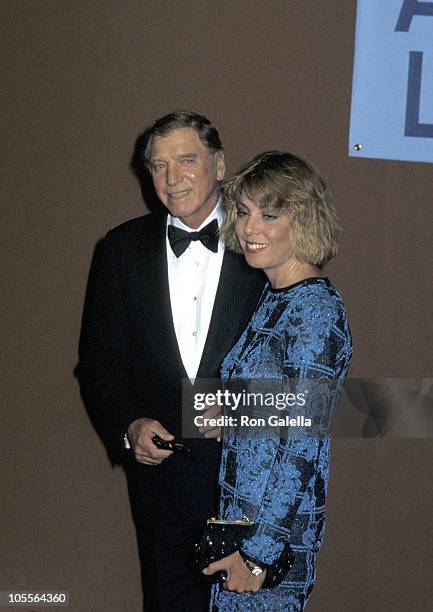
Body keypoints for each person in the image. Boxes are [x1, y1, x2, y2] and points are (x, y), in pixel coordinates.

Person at [75, 111, 265, 611]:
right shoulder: (120, 250)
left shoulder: (266, 245)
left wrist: (249, 412)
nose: (172, 178)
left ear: (220, 165)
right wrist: (129, 424)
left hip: (252, 484)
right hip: (162, 486)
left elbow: (308, 377)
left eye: (186, 160)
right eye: (158, 166)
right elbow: (98, 364)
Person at [202, 151, 352, 610]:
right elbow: (285, 408)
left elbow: (303, 441)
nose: (250, 228)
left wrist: (259, 554)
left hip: (271, 543)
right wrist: (236, 417)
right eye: (244, 212)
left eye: (270, 214)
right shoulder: (276, 297)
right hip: (242, 523)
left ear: (304, 220)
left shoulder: (314, 313)